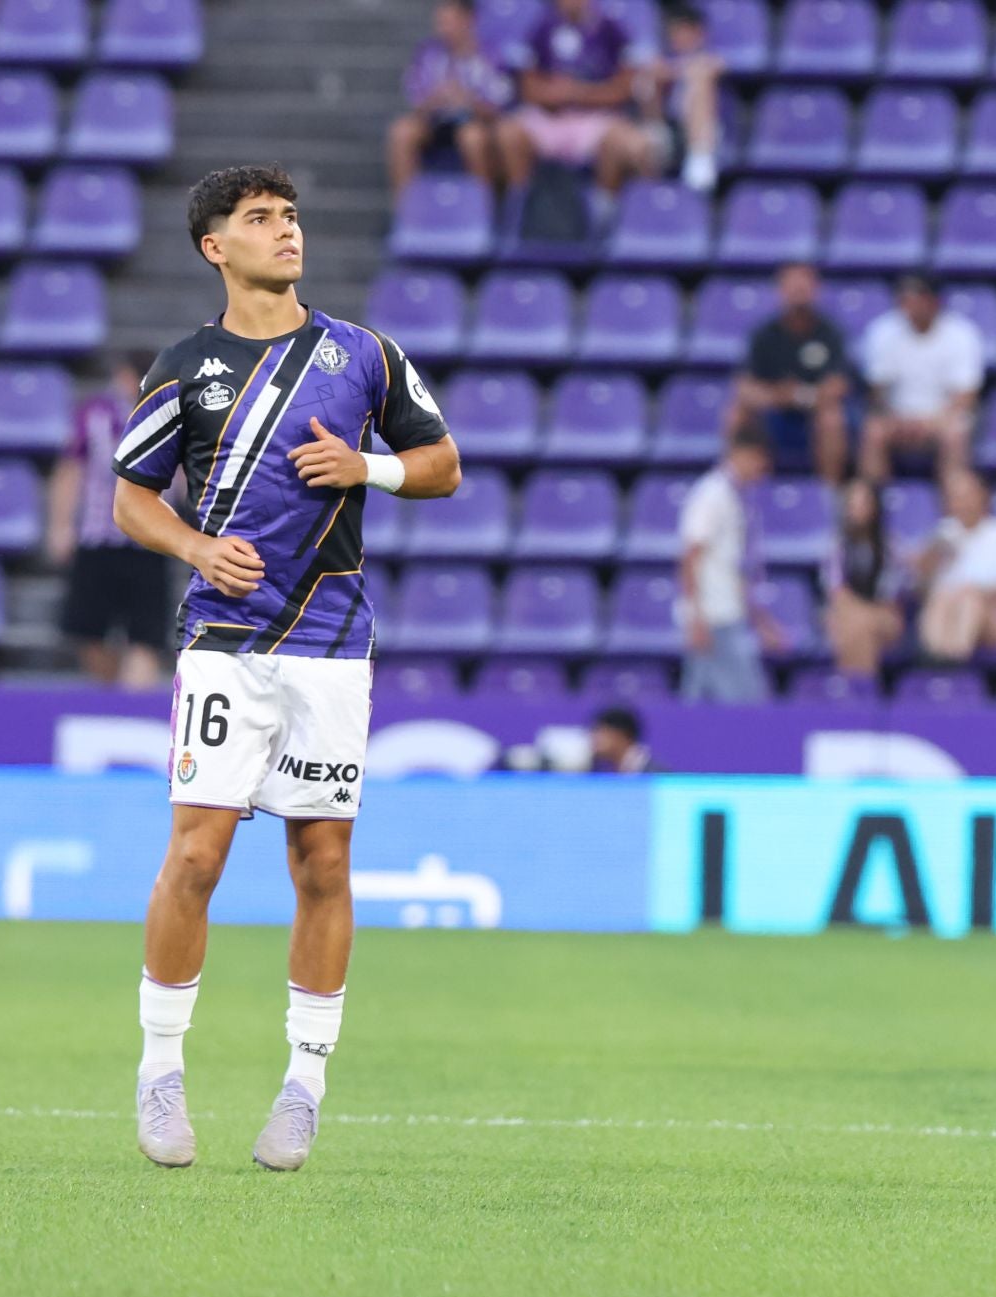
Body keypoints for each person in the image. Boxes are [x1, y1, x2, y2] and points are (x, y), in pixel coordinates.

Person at [110, 164, 461, 1172]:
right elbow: (131, 497)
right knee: (196, 857)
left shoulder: (365, 355)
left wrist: (368, 467)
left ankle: (304, 1086)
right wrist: (194, 547)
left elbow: (443, 464)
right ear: (215, 246)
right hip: (224, 640)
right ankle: (161, 1071)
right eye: (261, 218)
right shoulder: (186, 366)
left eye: (292, 216)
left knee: (324, 863)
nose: (287, 231)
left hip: (331, 645)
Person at [49, 352, 170, 690]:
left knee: (147, 635)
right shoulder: (95, 414)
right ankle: (115, 694)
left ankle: (130, 700)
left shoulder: (172, 413)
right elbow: (71, 470)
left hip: (151, 541)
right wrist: (61, 526)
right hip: (98, 538)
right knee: (87, 629)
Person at [497, 0, 651, 219]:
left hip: (594, 117)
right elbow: (528, 89)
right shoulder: (542, 26)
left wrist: (580, 93)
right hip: (550, 116)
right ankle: (520, 206)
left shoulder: (610, 29)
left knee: (621, 141)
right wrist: (556, 94)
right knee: (509, 133)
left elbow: (623, 90)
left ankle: (603, 211)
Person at [678, 420, 780, 703]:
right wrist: (695, 617)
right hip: (714, 617)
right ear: (743, 454)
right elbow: (690, 557)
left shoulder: (735, 496)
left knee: (699, 697)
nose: (762, 470)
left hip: (726, 613)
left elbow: (734, 568)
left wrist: (760, 620)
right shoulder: (712, 494)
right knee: (747, 701)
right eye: (760, 461)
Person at [858, 274, 985, 483]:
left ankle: (953, 495)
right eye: (905, 298)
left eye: (917, 297)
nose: (910, 305)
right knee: (874, 430)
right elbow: (877, 392)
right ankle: (874, 496)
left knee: (955, 432)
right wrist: (896, 418)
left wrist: (931, 422)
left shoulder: (962, 334)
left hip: (943, 418)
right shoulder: (883, 331)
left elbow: (966, 397)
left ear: (934, 301)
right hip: (897, 418)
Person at [733, 262, 852, 483]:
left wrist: (800, 395)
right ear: (780, 290)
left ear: (816, 289)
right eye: (792, 285)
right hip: (775, 415)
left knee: (832, 418)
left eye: (804, 285)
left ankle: (829, 493)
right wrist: (779, 396)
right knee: (737, 414)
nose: (798, 291)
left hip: (815, 413)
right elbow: (746, 387)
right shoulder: (764, 335)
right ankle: (734, 490)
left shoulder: (830, 333)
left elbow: (838, 385)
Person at [385, 0, 514, 195]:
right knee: (402, 132)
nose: (443, 29)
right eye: (440, 22)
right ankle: (407, 207)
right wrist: (436, 99)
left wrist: (467, 101)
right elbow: (416, 102)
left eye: (449, 22)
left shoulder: (491, 55)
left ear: (468, 20)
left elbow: (499, 107)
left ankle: (481, 206)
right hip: (435, 122)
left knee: (472, 138)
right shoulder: (428, 53)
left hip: (475, 122)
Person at [914, 470, 996, 663]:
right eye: (955, 496)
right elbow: (921, 588)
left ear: (983, 495)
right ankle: (934, 662)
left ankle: (954, 665)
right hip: (947, 611)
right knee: (941, 596)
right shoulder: (943, 533)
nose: (961, 502)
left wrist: (976, 592)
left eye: (967, 495)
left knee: (969, 600)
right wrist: (929, 562)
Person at [823, 476, 902, 683]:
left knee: (859, 623)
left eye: (864, 503)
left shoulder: (889, 546)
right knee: (857, 625)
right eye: (853, 504)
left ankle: (852, 689)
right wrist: (860, 614)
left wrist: (866, 614)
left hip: (884, 616)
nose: (858, 509)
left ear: (875, 507)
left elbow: (890, 596)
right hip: (846, 613)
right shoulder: (837, 545)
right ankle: (865, 689)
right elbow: (837, 591)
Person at [641, 4, 724, 193]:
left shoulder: (708, 60)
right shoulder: (662, 61)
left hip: (707, 132)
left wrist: (674, 72)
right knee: (647, 81)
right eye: (674, 31)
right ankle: (655, 137)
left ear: (698, 33)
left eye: (683, 30)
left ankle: (700, 156)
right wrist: (659, 75)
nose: (677, 36)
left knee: (699, 79)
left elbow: (714, 66)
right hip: (670, 129)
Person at [589, 706, 657, 772]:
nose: (594, 738)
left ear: (619, 735)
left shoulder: (654, 773)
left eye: (600, 732)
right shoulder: (619, 770)